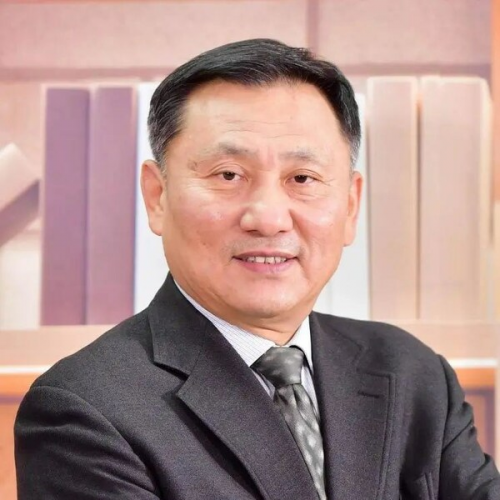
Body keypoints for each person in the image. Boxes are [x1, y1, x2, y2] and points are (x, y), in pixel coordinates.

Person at [15, 38, 499, 500]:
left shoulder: (413, 373)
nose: (268, 217)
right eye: (228, 175)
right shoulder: (84, 410)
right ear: (157, 196)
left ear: (351, 206)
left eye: (302, 178)